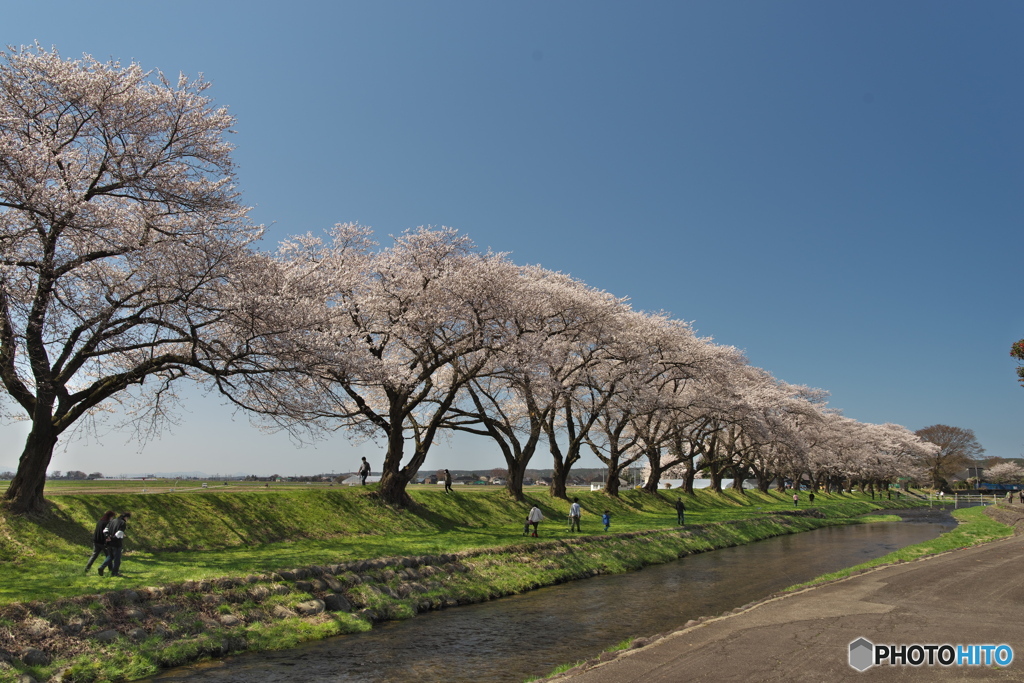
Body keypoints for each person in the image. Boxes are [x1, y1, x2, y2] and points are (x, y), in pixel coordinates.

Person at [98, 511, 131, 577]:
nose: (127, 519)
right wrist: (112, 538)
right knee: (117, 559)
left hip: (109, 543)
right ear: (126, 517)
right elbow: (118, 534)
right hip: (116, 543)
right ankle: (115, 573)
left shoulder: (113, 521)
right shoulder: (122, 523)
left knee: (110, 556)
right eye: (128, 518)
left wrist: (107, 537)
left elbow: (105, 530)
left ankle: (102, 567)